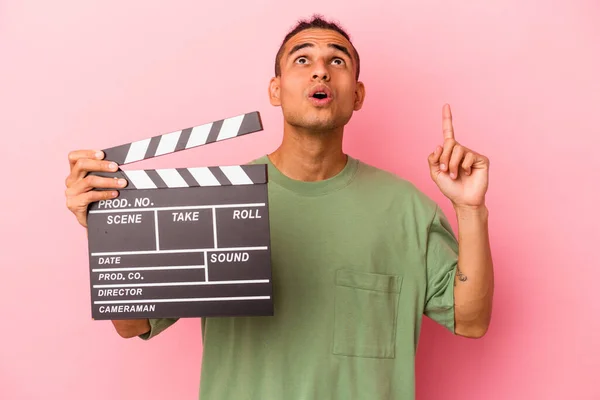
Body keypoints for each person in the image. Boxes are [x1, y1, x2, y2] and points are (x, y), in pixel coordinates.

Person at [65, 14, 493, 400]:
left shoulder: (406, 208)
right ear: (276, 90)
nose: (321, 69)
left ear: (357, 94)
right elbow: (132, 325)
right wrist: (106, 229)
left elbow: (470, 320)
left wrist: (471, 209)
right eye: (302, 60)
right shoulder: (217, 201)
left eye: (337, 60)